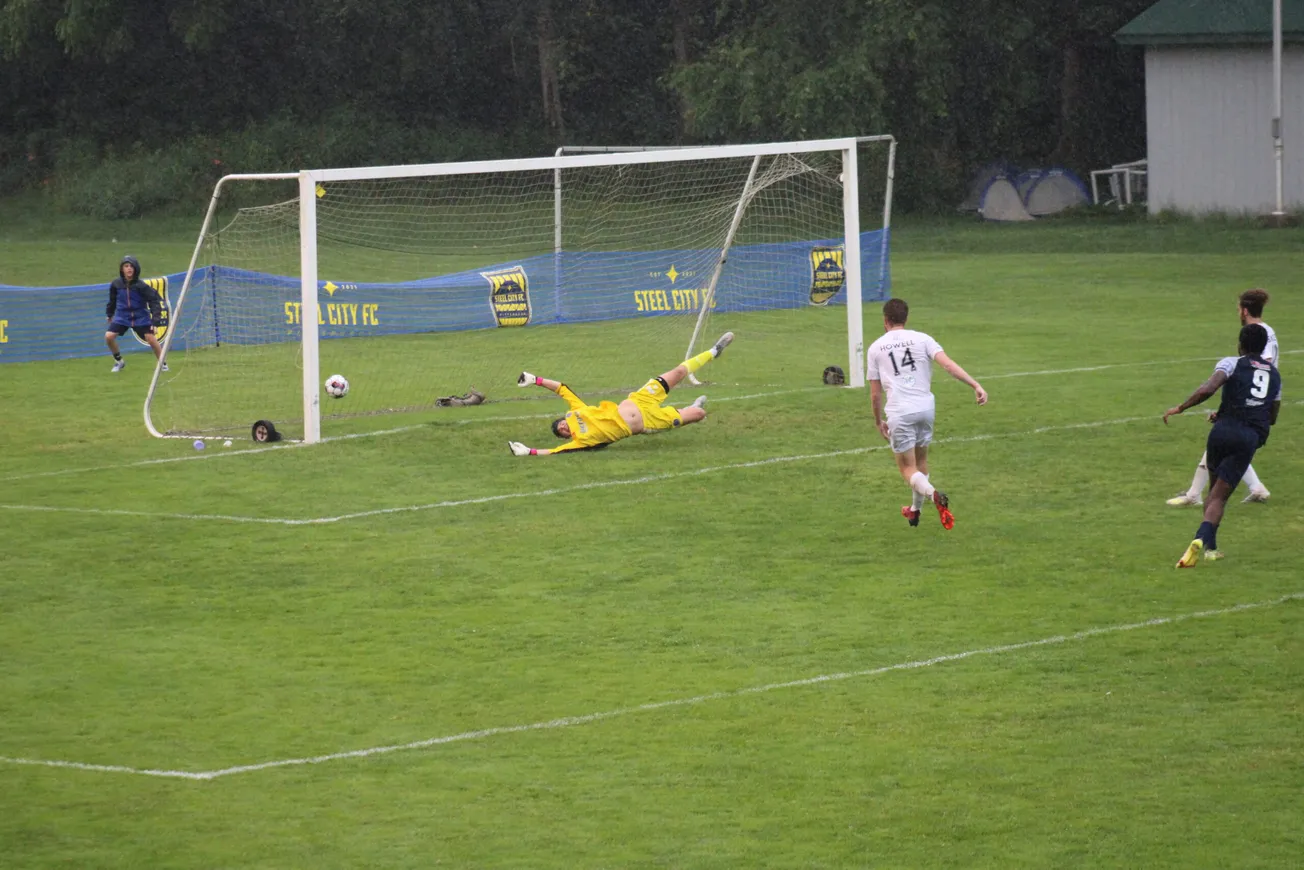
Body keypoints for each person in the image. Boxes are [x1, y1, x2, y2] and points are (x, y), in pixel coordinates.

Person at [1164, 323, 1281, 567]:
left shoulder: (1232, 362)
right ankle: (1200, 541)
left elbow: (1208, 389)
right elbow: (1271, 416)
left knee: (1212, 493)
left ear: (1240, 344)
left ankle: (1211, 548)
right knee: (1219, 497)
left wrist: (1181, 407)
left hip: (1221, 432)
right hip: (1247, 437)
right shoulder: (1275, 375)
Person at [866, 298, 987, 529]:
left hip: (900, 412)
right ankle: (915, 511)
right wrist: (975, 385)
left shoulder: (875, 348)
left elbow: (875, 394)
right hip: (925, 409)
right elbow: (948, 365)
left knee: (907, 468)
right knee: (921, 462)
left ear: (885, 321)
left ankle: (933, 495)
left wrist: (877, 421)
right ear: (906, 319)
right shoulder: (923, 339)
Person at [507, 332, 733, 456]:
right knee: (698, 415)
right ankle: (691, 410)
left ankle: (714, 351)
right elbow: (556, 451)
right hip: (648, 422)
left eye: (560, 425)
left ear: (564, 419)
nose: (563, 429)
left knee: (678, 372)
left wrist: (535, 379)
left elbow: (562, 389)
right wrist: (530, 452)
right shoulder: (582, 440)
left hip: (640, 399)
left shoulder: (577, 412)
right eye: (561, 433)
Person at [1168, 288, 1278, 505]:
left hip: (1253, 404)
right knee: (1228, 444)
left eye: (1238, 308)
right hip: (1256, 401)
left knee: (1231, 443)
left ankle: (1195, 496)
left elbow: (1257, 370)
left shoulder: (1258, 334)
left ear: (1244, 311)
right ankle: (1199, 493)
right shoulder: (1264, 331)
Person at [105, 254, 167, 373]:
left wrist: (155, 321)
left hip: (140, 317)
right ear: (122, 269)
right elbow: (112, 300)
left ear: (135, 269)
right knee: (108, 336)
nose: (129, 268)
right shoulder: (116, 284)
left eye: (131, 266)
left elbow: (155, 301)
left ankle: (162, 363)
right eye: (126, 266)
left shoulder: (141, 286)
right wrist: (109, 314)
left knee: (150, 338)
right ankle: (119, 361)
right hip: (122, 316)